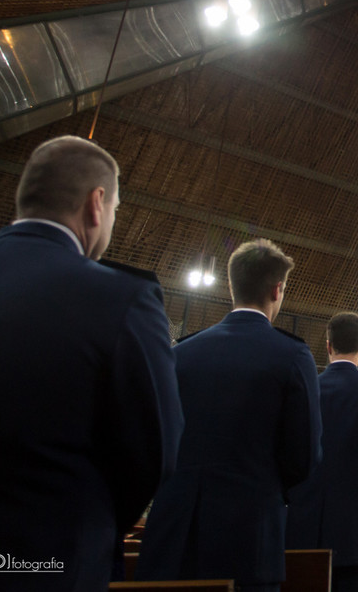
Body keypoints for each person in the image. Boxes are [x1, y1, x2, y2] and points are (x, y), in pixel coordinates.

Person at [0, 135, 183, 591]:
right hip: (49, 562)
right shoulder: (123, 298)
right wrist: (93, 523)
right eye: (115, 211)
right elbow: (155, 452)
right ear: (96, 203)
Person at [137, 239, 322, 592]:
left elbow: (158, 440)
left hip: (175, 532)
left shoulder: (182, 353)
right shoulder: (291, 355)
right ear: (277, 289)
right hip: (249, 533)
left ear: (231, 285)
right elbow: (304, 456)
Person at [286, 312, 358, 592]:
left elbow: (287, 454)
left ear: (328, 346)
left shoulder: (303, 390)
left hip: (302, 527)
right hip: (356, 530)